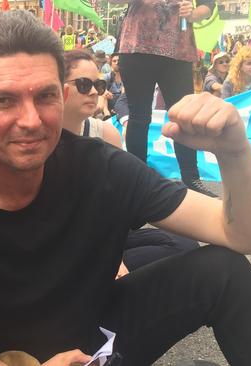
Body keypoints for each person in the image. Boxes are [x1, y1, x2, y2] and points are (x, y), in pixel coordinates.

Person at [0, 10, 251, 366]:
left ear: (61, 97)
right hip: (7, 358)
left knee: (220, 270)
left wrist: (235, 152)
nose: (30, 120)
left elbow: (250, 236)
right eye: (4, 101)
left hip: (97, 340)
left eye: (45, 96)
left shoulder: (103, 167)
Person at [61, 50, 200, 276]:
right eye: (84, 84)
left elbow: (118, 202)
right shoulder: (41, 138)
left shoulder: (105, 133)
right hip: (69, 240)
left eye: (99, 84)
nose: (95, 91)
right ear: (59, 87)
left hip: (106, 231)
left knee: (185, 245)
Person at [116, 0, 217, 197]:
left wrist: (194, 13)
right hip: (137, 48)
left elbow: (208, 5)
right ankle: (137, 180)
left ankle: (191, 178)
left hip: (178, 51)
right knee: (139, 116)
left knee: (184, 116)